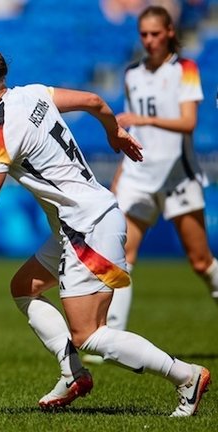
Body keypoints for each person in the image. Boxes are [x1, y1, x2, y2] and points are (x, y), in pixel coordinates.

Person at [0, 28, 210, 417]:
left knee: (89, 334)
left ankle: (186, 376)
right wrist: (116, 133)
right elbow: (95, 100)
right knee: (23, 287)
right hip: (81, 221)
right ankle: (72, 374)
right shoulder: (32, 93)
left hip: (86, 228)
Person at [103, 5, 217, 336]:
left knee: (200, 262)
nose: (150, 40)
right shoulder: (131, 74)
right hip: (139, 176)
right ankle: (113, 336)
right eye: (144, 34)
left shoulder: (186, 69)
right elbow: (131, 137)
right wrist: (119, 177)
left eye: (155, 33)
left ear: (169, 32)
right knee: (122, 255)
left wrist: (144, 119)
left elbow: (188, 122)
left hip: (177, 176)